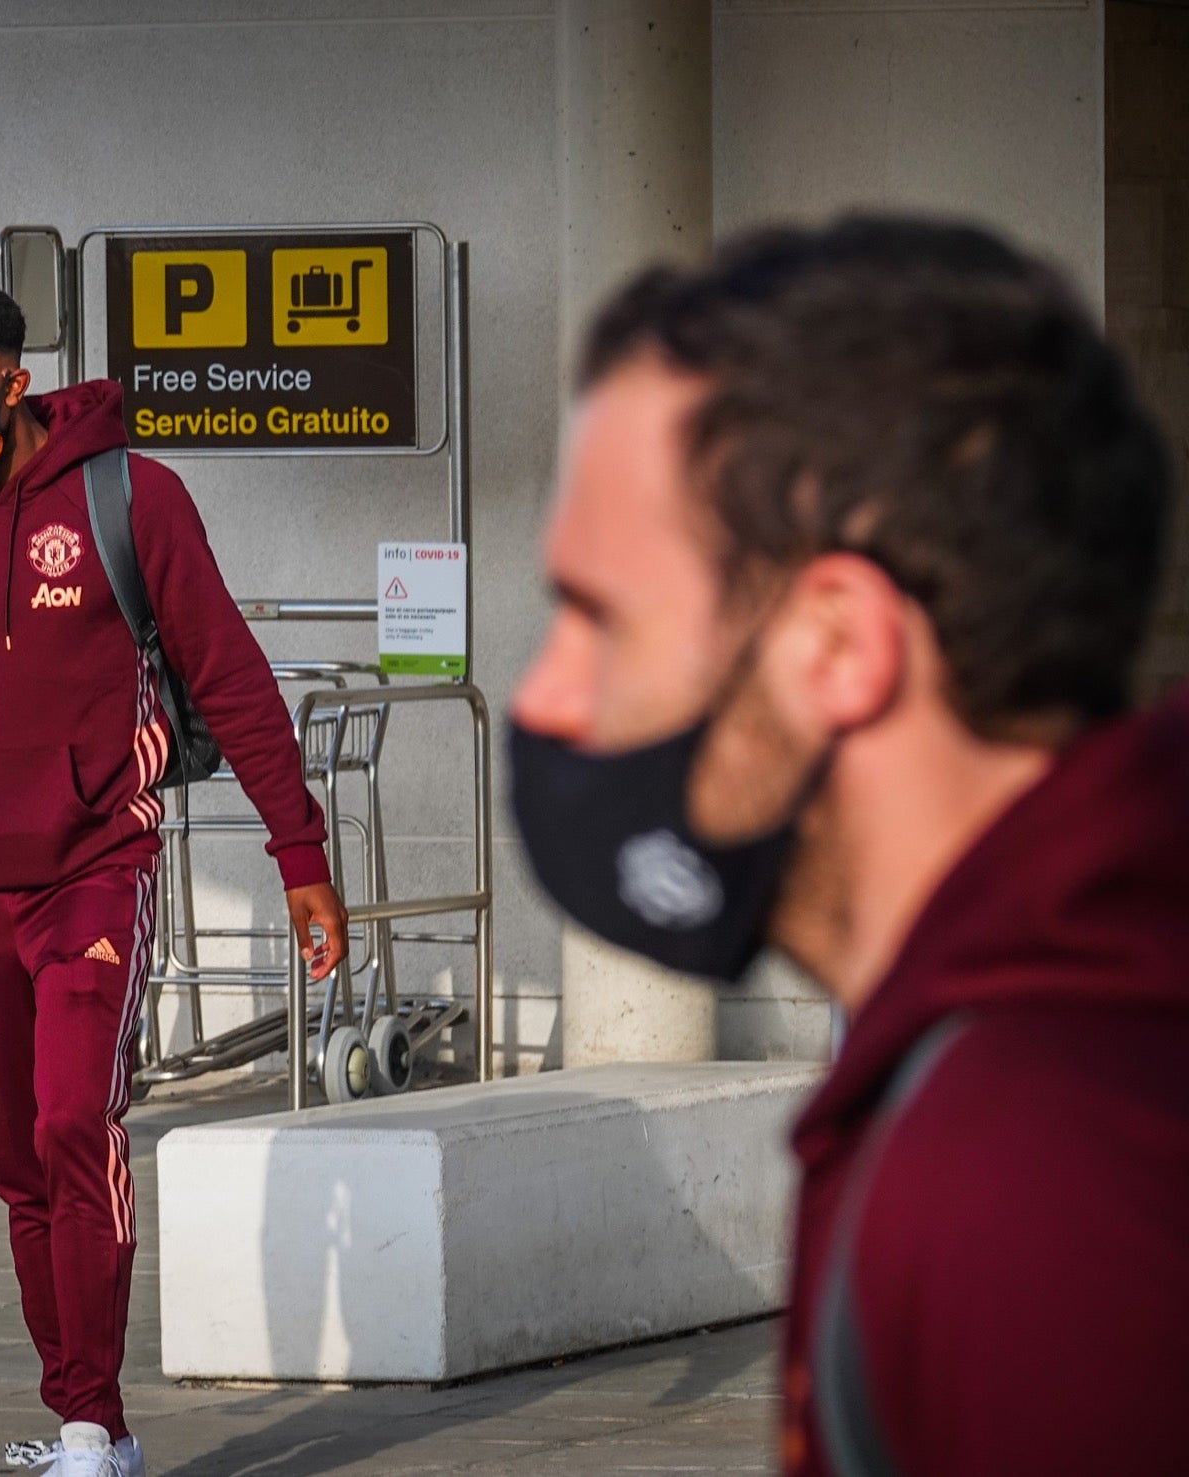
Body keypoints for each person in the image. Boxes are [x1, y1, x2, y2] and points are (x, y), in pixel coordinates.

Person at [509, 217, 1188, 1475]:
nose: (543, 696)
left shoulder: (1038, 1191)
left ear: (837, 644)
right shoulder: (1050, 1048)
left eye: (598, 617)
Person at [0, 278, 349, 1477]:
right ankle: (74, 1416)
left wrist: (298, 854)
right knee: (14, 1163)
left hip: (97, 871)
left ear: (10, 381)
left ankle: (95, 1427)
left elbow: (236, 681)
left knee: (70, 1124)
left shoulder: (130, 499)